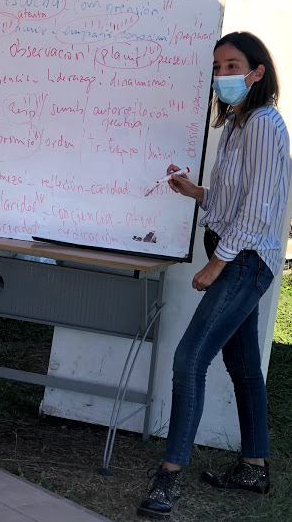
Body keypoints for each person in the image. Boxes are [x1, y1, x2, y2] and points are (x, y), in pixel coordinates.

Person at [138, 31, 290, 519]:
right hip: (234, 252)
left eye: (232, 66)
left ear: (257, 72)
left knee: (190, 358)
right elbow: (232, 200)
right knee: (242, 366)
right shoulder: (238, 124)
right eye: (217, 68)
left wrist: (216, 263)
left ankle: (168, 478)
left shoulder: (264, 124)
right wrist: (195, 192)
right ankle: (253, 468)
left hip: (243, 260)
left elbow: (259, 211)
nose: (221, 76)